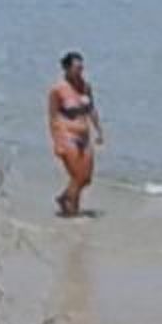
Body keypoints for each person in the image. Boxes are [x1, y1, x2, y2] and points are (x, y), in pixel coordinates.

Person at [47, 51, 103, 217]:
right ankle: (72, 209)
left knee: (86, 178)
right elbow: (53, 116)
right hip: (67, 134)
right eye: (77, 68)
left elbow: (91, 109)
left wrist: (99, 130)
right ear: (67, 69)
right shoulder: (58, 89)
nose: (80, 71)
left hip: (84, 135)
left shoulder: (85, 87)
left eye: (81, 67)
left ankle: (65, 199)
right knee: (77, 175)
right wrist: (56, 141)